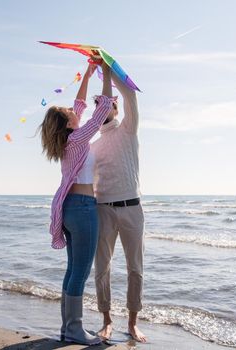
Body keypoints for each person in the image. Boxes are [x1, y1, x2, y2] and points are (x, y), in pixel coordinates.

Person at [39, 60, 113, 345]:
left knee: (72, 270)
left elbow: (81, 104)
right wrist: (106, 73)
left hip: (70, 207)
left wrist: (89, 73)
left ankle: (68, 328)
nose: (74, 111)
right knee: (79, 272)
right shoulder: (78, 138)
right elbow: (101, 110)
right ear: (68, 123)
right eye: (70, 112)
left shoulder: (70, 138)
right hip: (82, 208)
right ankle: (74, 329)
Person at [92, 69, 147, 342]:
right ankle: (106, 320)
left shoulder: (128, 129)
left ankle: (133, 322)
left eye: (109, 104)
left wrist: (108, 68)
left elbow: (130, 95)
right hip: (103, 209)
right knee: (102, 268)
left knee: (134, 267)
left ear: (115, 106)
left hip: (132, 208)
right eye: (100, 107)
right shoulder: (93, 147)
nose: (105, 110)